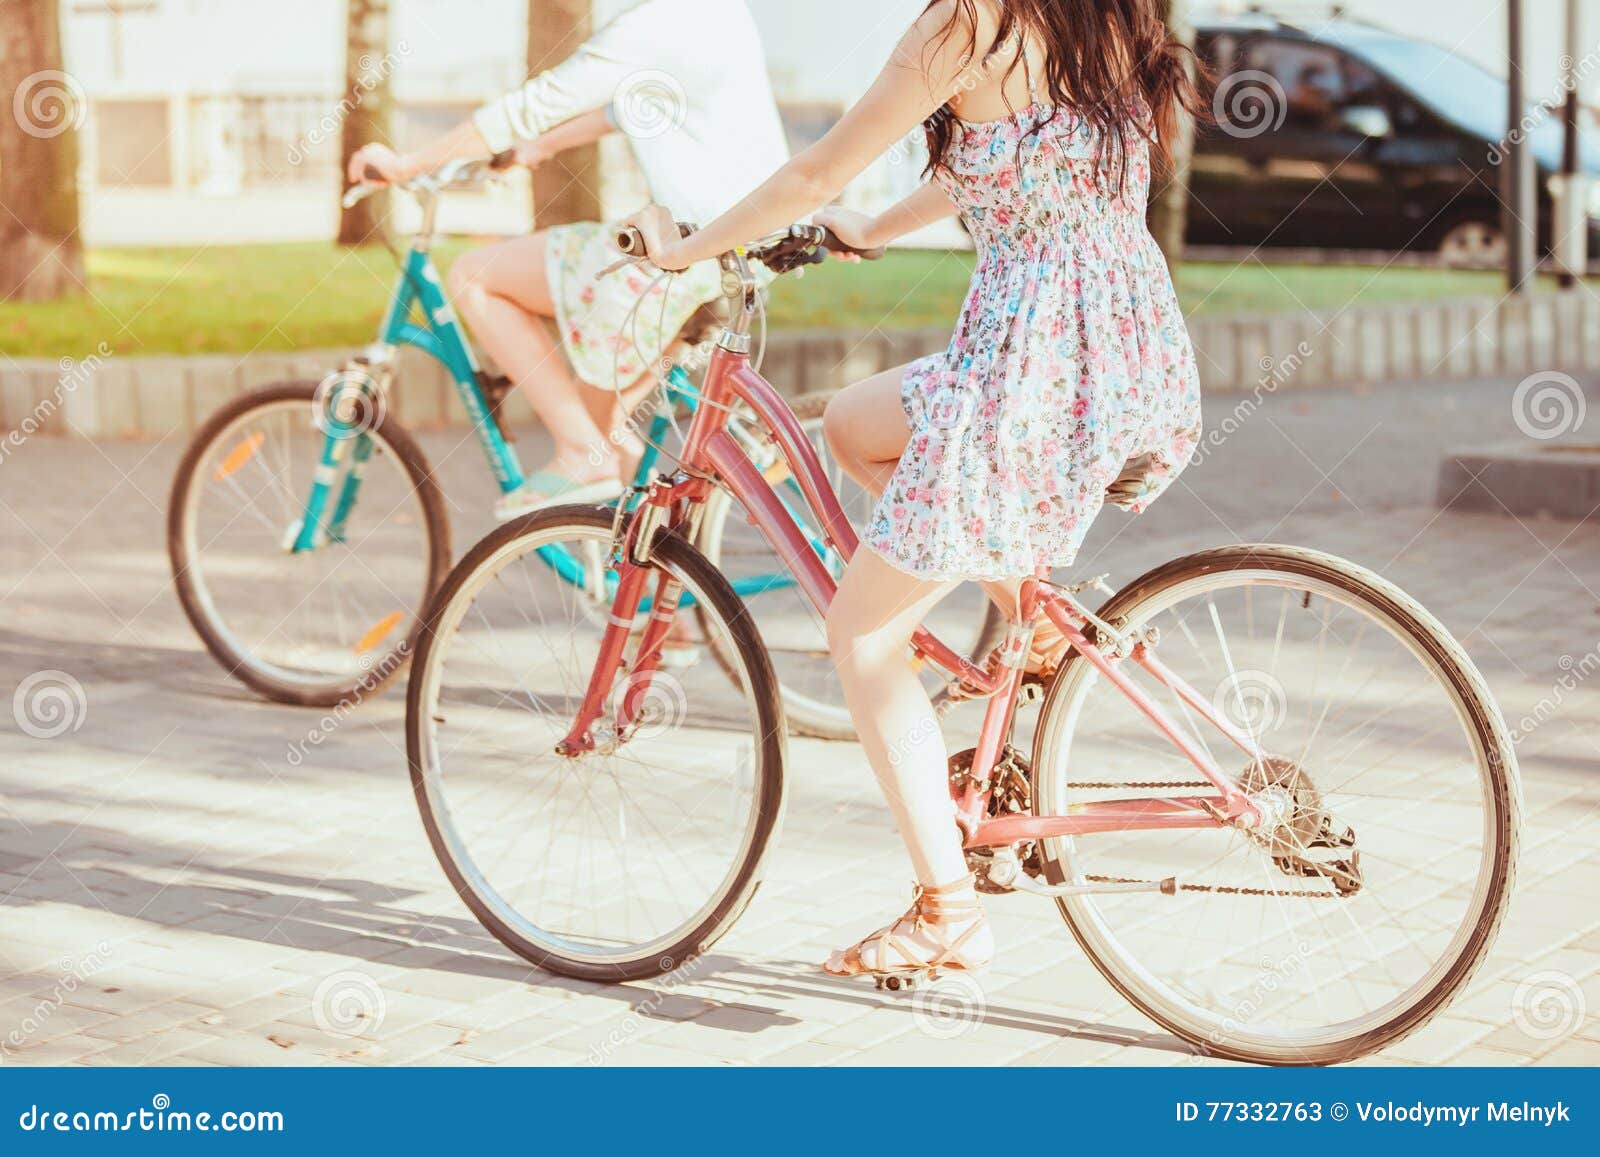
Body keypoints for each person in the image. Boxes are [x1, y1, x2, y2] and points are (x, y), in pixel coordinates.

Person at [623, 0, 1204, 979]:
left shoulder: (964, 22)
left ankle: (946, 910)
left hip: (1027, 376)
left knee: (863, 638)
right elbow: (1025, 160)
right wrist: (878, 228)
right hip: (1129, 358)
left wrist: (685, 251)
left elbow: (813, 170)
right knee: (854, 423)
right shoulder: (1099, 18)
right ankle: (1039, 626)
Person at [347, 0, 788, 517]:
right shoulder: (717, 13)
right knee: (610, 432)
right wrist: (540, 147)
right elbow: (639, 105)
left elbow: (529, 106)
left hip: (685, 250)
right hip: (742, 252)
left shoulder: (654, 21)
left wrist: (406, 165)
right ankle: (618, 578)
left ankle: (579, 454)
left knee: (474, 275)